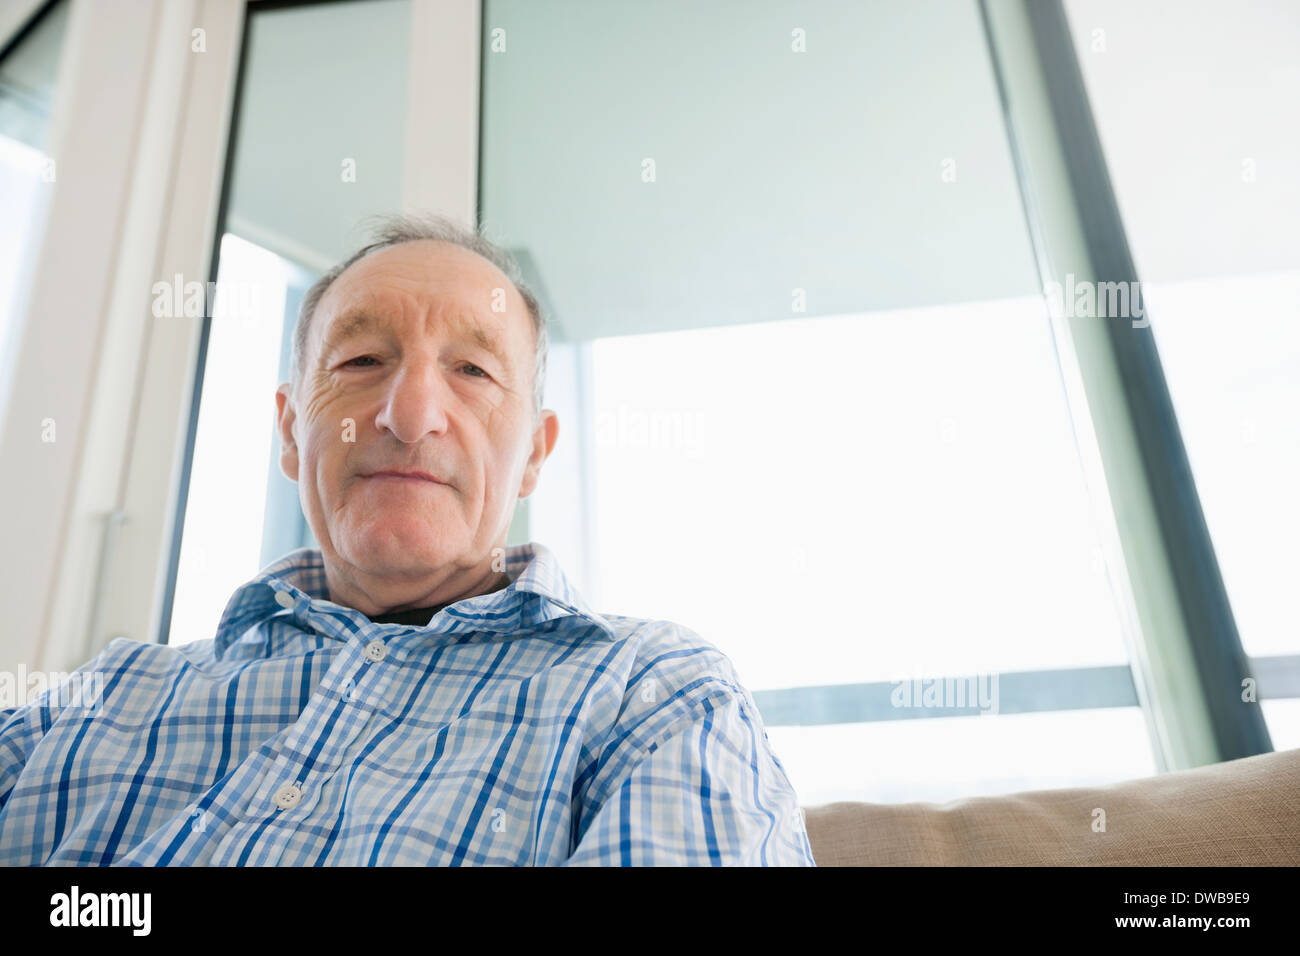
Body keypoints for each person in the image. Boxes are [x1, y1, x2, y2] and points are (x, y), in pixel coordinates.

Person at [0, 212, 816, 866]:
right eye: (359, 359)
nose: (410, 413)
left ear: (533, 453)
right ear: (290, 432)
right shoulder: (100, 700)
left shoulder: (657, 695)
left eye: (473, 372)